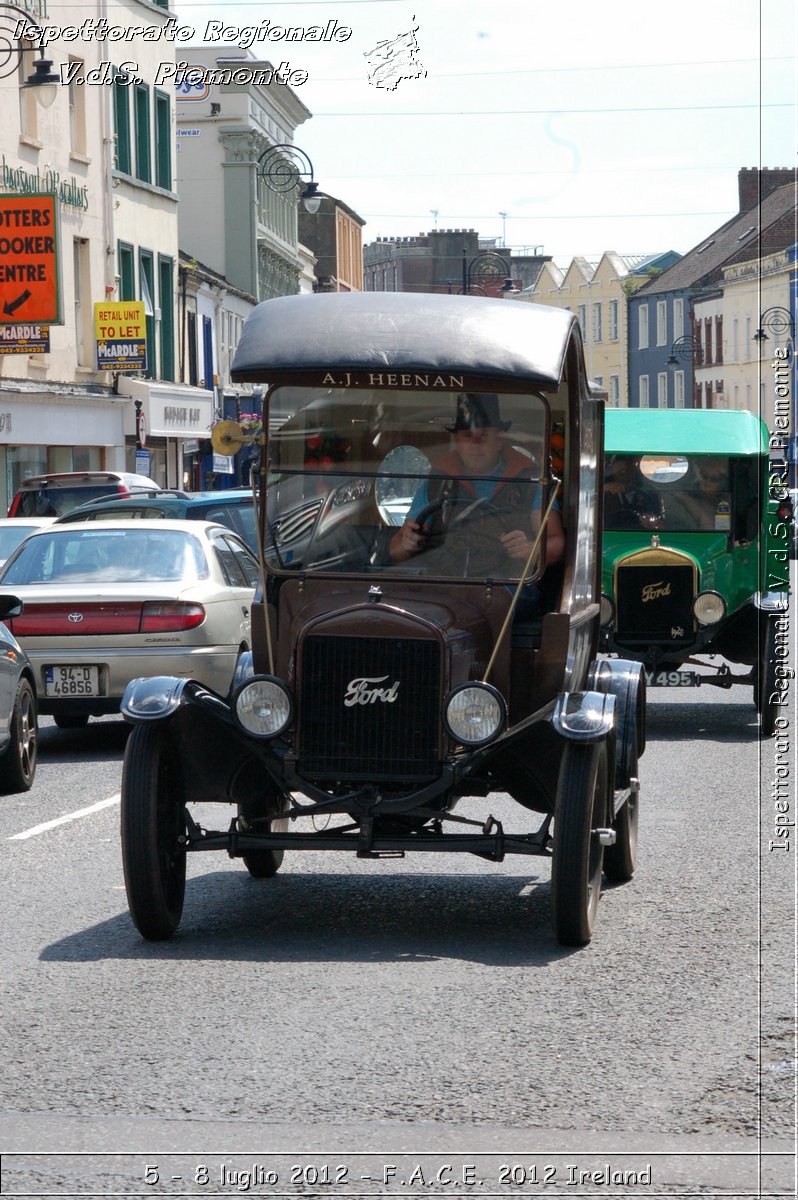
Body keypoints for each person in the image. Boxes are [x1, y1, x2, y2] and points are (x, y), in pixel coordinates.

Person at [388, 393, 564, 615]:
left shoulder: (529, 481)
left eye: (483, 436)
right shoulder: (436, 482)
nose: (474, 444)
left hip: (505, 584)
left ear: (499, 441)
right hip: (445, 581)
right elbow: (396, 550)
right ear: (457, 442)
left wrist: (532, 549)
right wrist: (406, 542)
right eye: (466, 436)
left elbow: (556, 544)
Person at [603, 455, 664, 530]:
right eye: (620, 471)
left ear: (635, 469)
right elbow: (587, 505)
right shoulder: (601, 490)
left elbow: (659, 523)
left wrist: (654, 524)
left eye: (627, 469)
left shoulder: (650, 493)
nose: (624, 473)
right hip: (606, 535)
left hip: (641, 536)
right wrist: (604, 488)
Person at [679, 458, 731, 531]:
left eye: (714, 479)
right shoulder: (686, 495)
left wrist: (693, 506)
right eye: (704, 477)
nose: (706, 483)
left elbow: (720, 533)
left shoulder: (724, 504)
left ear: (722, 484)